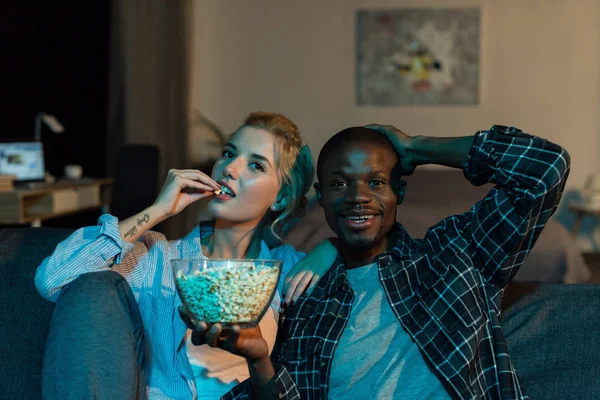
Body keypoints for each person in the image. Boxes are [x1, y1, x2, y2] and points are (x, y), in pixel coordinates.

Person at [191, 124, 570, 399]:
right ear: (321, 197)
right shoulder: (305, 294)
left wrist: (417, 148)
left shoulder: (455, 255)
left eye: (375, 182)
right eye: (340, 184)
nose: (358, 197)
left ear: (399, 191)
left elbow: (544, 169)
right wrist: (259, 361)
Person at [34, 112, 336, 399]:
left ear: (281, 197)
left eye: (256, 165)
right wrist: (158, 210)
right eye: (229, 154)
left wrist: (335, 247)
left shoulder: (289, 269)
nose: (229, 168)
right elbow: (54, 278)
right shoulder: (157, 258)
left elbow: (379, 251)